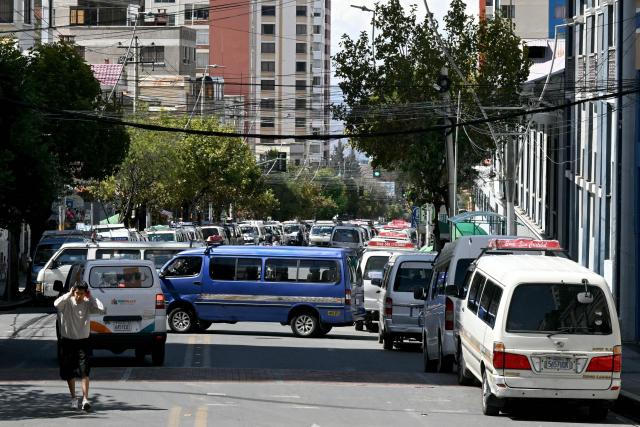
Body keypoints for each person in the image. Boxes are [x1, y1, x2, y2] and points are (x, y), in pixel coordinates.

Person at [54, 281, 105, 411]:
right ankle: (73, 398)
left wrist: (91, 296)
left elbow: (102, 309)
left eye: (81, 294)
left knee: (84, 371)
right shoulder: (67, 302)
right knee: (68, 371)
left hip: (84, 342)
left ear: (85, 293)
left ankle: (85, 399)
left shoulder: (88, 303)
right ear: (73, 291)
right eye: (77, 293)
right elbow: (56, 304)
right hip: (68, 342)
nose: (79, 296)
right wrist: (69, 294)